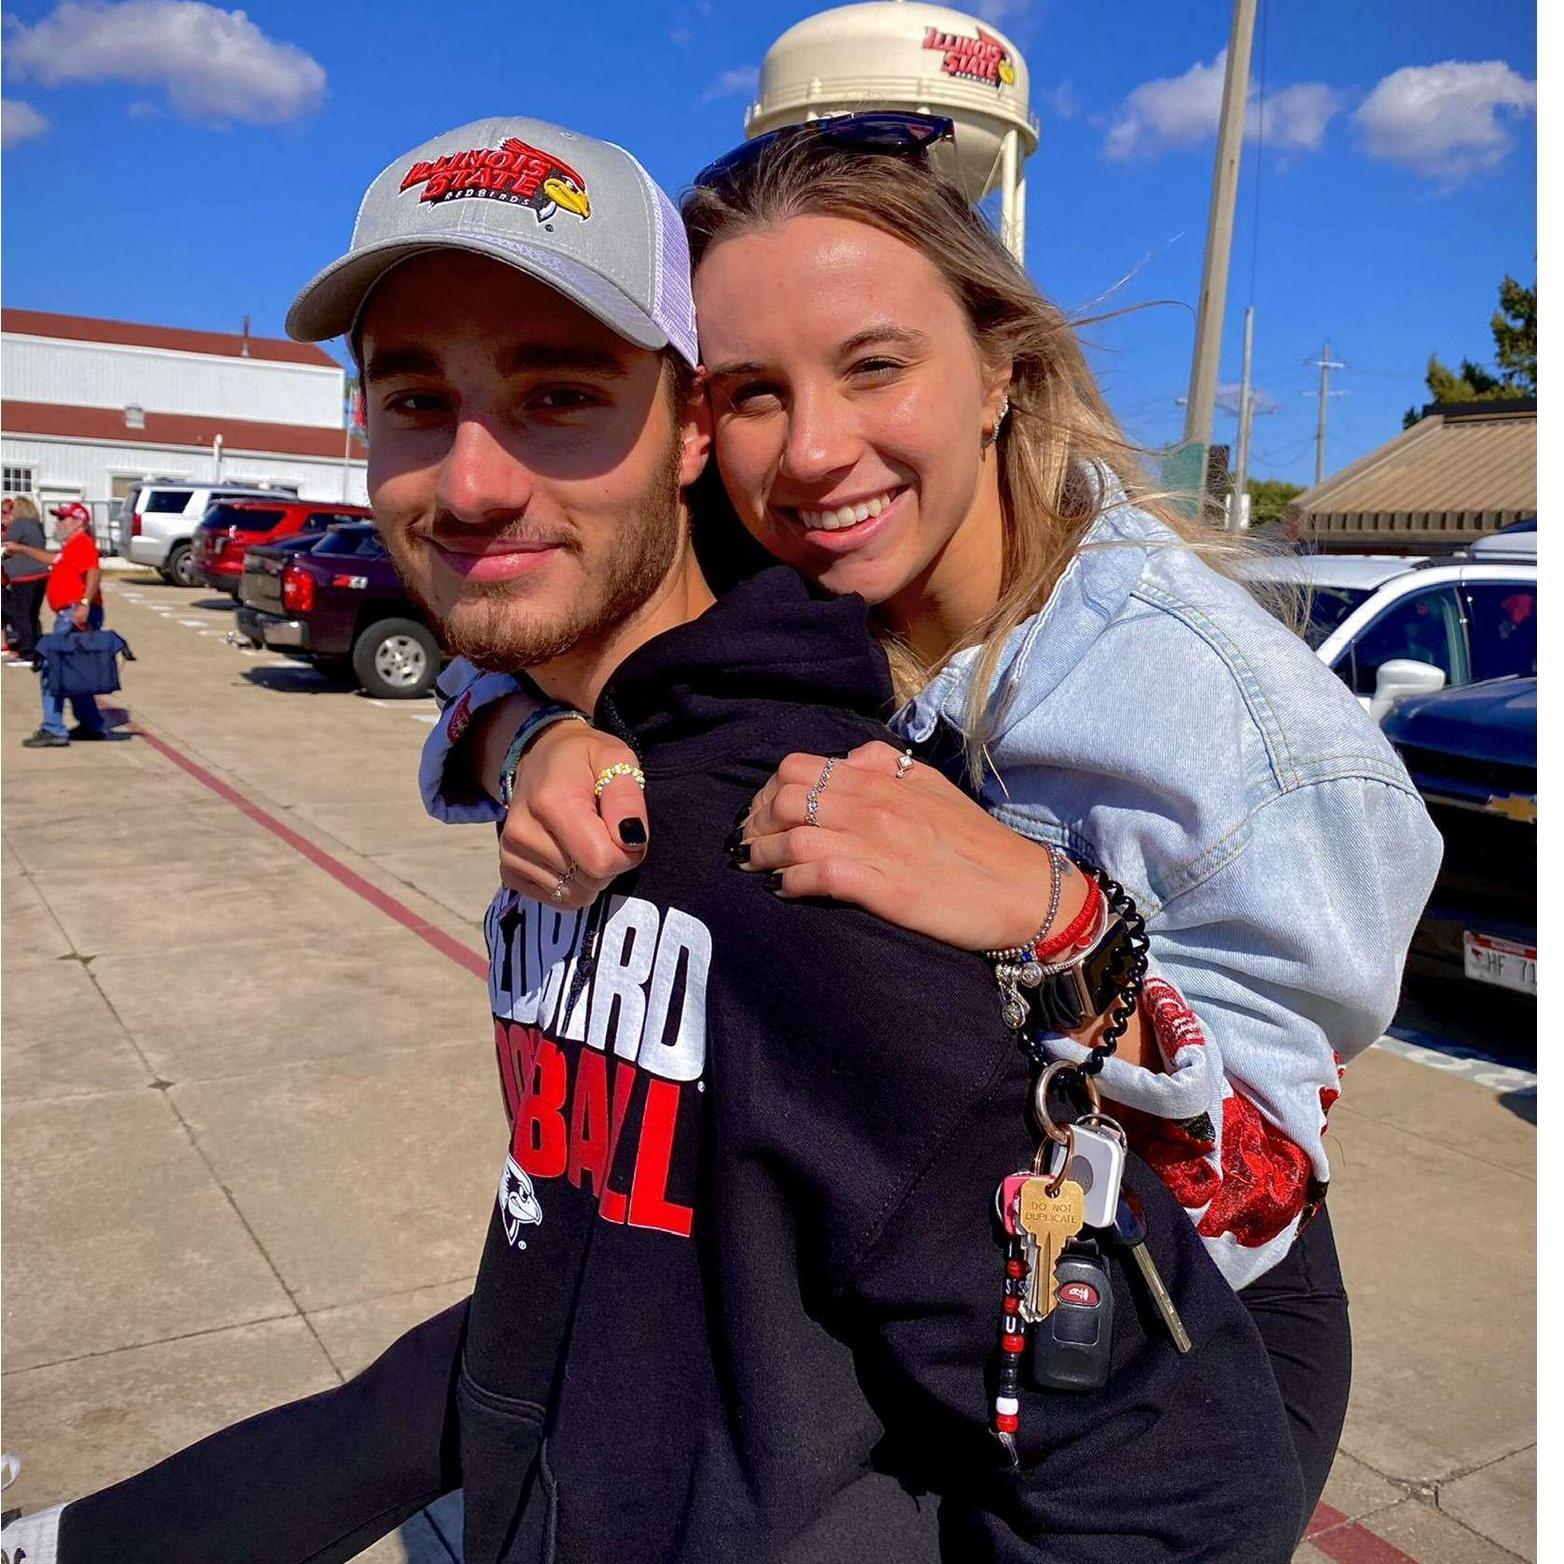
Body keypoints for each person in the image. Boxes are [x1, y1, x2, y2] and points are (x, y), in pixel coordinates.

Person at [0, 115, 1304, 1564]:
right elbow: (576, 1284)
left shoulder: (824, 858)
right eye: (416, 400)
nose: (471, 484)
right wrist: (520, 732)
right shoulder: (608, 753)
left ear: (687, 429)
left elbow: (1186, 1479)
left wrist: (1064, 924)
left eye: (559, 395)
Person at [425, 113, 1445, 1525]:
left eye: (874, 367)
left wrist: (1057, 919)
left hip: (1157, 1360)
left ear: (999, 374)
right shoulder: (774, 564)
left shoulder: (1236, 726)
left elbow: (1253, 1187)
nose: (812, 453)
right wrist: (527, 732)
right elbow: (495, 611)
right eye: (754, 391)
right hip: (878, 1291)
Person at [3, 500, 108, 746]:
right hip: (71, 612)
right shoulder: (70, 547)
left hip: (74, 613)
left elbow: (94, 572)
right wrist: (21, 548)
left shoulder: (82, 544)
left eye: (63, 518)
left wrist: (84, 603)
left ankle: (53, 728)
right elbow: (52, 559)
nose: (57, 522)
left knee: (53, 669)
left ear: (79, 522)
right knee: (73, 671)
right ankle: (92, 724)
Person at [2, 495, 50, 663]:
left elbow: (5, 545)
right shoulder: (37, 525)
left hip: (24, 577)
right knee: (32, 614)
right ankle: (36, 648)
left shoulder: (18, 525)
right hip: (41, 575)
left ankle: (27, 652)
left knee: (21, 615)